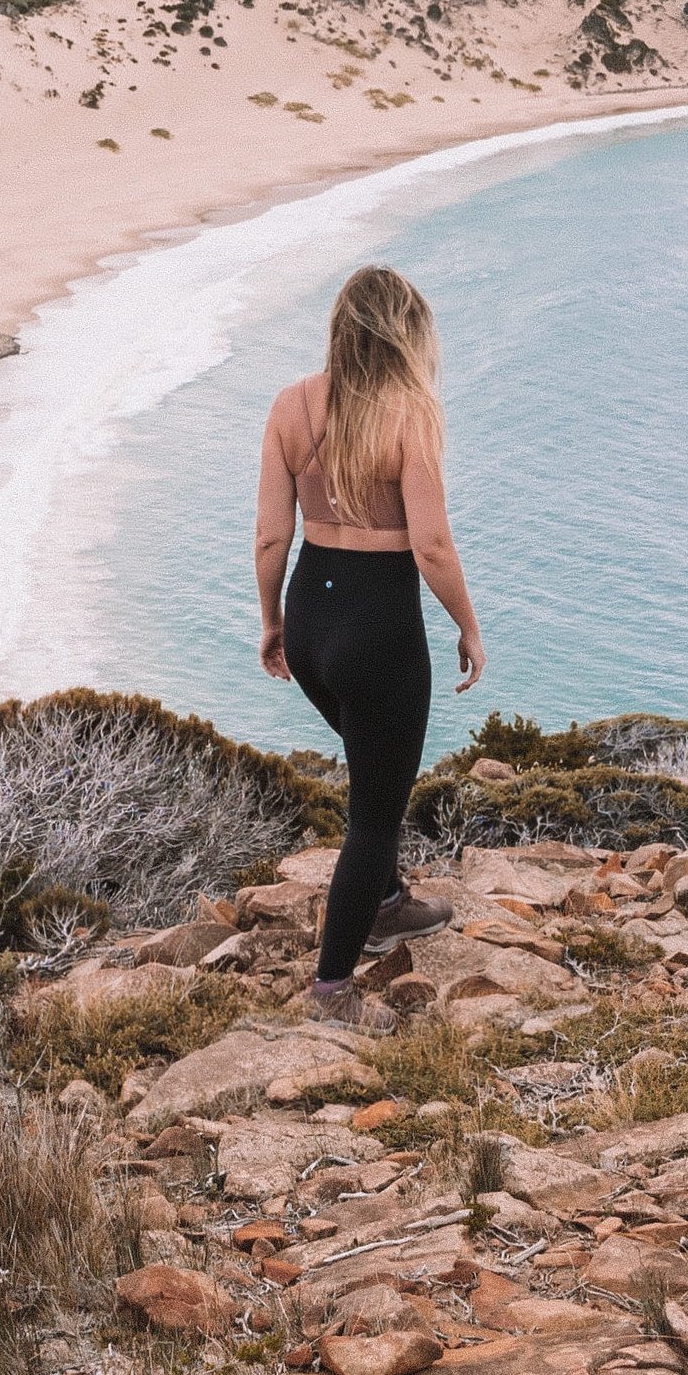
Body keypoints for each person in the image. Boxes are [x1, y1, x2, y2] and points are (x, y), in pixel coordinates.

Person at [256, 264, 485, 1009]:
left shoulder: (292, 404)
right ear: (404, 332)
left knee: (372, 771)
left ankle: (387, 904)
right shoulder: (410, 413)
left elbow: (269, 538)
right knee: (375, 813)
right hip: (380, 627)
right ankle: (331, 987)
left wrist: (273, 622)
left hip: (313, 622)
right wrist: (468, 627)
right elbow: (433, 548)